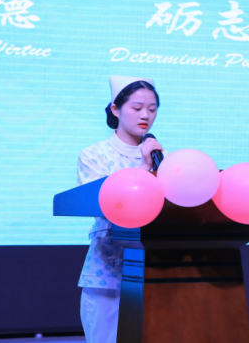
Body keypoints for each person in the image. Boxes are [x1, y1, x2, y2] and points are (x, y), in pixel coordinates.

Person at [76, 75, 164, 343]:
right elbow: (104, 203)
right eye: (137, 108)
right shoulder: (94, 155)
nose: (145, 115)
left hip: (156, 270)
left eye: (152, 109)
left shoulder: (163, 158)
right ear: (115, 109)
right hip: (107, 268)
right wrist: (144, 168)